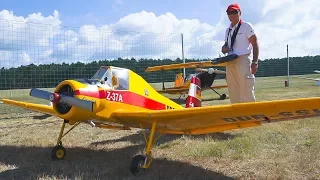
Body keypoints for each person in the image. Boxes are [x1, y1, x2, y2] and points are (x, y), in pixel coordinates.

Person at [221, 3, 259, 104]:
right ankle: (237, 116)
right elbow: (226, 46)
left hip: (242, 60)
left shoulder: (246, 26)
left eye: (234, 12)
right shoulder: (227, 30)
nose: (232, 15)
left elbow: (255, 44)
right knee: (233, 91)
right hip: (230, 61)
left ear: (240, 13)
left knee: (246, 89)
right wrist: (224, 49)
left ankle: (251, 115)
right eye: (229, 13)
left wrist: (255, 62)